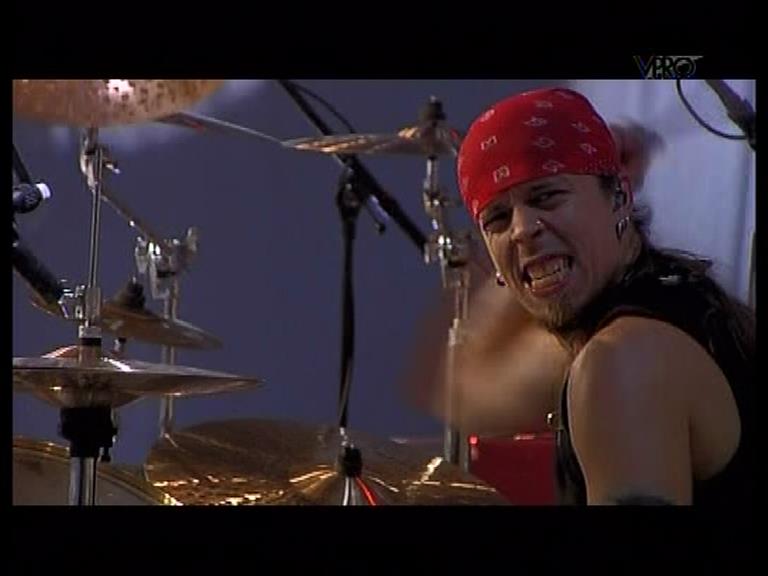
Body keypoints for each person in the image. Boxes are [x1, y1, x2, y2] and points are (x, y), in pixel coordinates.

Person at [440, 87, 755, 505]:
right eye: (497, 217)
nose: (522, 230)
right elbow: (480, 390)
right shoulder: (675, 302)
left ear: (620, 196)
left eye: (546, 196)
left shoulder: (622, 360)